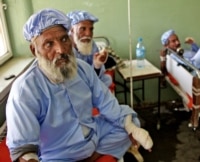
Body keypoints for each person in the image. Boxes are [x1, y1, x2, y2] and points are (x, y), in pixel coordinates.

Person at [6, 8, 153, 162]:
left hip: (92, 135)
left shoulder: (82, 68)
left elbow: (107, 103)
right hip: (58, 154)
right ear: (34, 50)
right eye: (49, 44)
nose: (61, 50)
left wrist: (131, 128)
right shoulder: (24, 90)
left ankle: (89, 158)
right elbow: (24, 150)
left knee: (129, 121)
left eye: (64, 39)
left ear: (70, 39)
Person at [67, 10, 112, 88]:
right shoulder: (64, 49)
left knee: (107, 79)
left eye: (91, 29)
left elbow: (97, 75)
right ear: (71, 30)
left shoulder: (91, 44)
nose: (88, 34)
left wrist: (97, 65)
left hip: (90, 83)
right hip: (73, 87)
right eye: (82, 29)